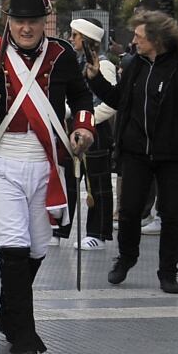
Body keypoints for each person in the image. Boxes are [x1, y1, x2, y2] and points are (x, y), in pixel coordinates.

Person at [0, 0, 95, 354]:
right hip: (2, 159)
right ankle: (24, 333)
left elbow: (82, 98)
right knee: (14, 245)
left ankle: (8, 313)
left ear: (44, 22)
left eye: (33, 22)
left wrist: (83, 130)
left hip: (47, 161)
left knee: (36, 248)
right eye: (19, 21)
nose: (26, 28)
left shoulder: (63, 55)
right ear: (9, 21)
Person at [87, 10, 178, 294]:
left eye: (139, 36)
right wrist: (96, 81)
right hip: (135, 153)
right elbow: (120, 99)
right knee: (128, 211)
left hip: (171, 157)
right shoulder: (135, 66)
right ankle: (126, 258)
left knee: (171, 214)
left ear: (157, 39)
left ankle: (168, 271)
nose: (134, 41)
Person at [68, 19, 117, 251]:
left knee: (98, 184)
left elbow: (110, 104)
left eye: (75, 35)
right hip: (83, 130)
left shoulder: (104, 65)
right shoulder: (79, 63)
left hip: (96, 132)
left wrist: (87, 121)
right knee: (86, 181)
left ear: (87, 40)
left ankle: (99, 233)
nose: (71, 39)